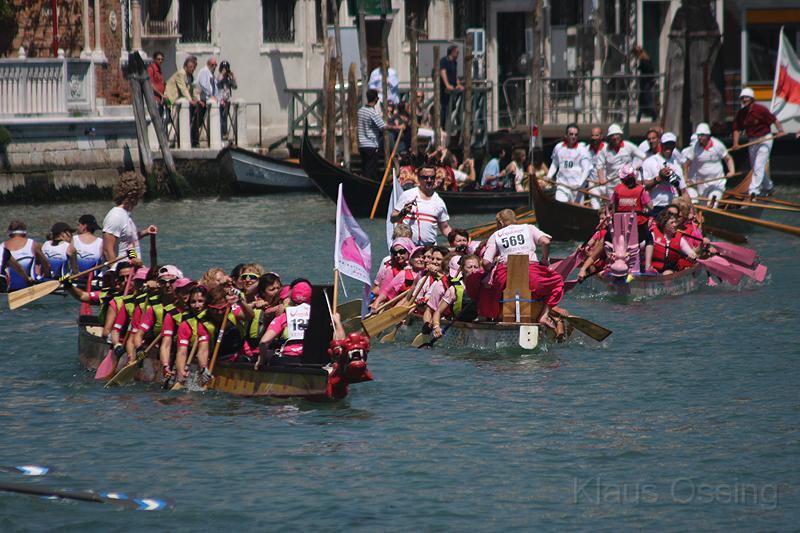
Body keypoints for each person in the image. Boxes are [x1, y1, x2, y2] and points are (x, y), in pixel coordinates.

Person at [480, 209, 563, 323]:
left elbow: (485, 262)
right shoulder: (528, 228)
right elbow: (546, 241)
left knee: (486, 289)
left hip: (505, 276)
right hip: (531, 274)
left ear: (500, 222)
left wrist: (490, 271)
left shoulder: (495, 235)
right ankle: (544, 315)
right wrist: (544, 260)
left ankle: (490, 318)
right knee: (558, 282)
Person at [732, 87, 784, 196]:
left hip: (765, 139)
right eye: (742, 98)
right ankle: (769, 187)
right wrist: (735, 144)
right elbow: (736, 129)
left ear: (752, 99)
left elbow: (773, 119)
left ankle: (753, 190)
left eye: (746, 98)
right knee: (755, 167)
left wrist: (780, 131)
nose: (744, 100)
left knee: (758, 165)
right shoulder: (741, 113)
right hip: (752, 141)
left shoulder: (761, 109)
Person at [102, 171, 157, 265]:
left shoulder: (126, 214)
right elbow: (107, 249)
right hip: (122, 273)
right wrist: (115, 271)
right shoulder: (115, 216)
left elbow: (128, 243)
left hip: (133, 269)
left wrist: (146, 232)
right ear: (135, 195)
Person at [390, 163, 453, 246]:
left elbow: (445, 228)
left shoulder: (439, 202)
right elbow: (393, 219)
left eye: (432, 177)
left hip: (429, 250)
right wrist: (403, 212)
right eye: (425, 177)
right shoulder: (407, 195)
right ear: (419, 178)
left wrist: (457, 237)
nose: (429, 180)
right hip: (409, 247)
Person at [255, 280, 313, 367]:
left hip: (289, 359)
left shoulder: (285, 316)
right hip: (312, 360)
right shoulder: (319, 315)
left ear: (291, 298)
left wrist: (261, 360)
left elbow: (264, 342)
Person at [610, 164, 654, 272]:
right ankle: (648, 266)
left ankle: (611, 262)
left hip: (620, 228)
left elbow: (612, 207)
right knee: (649, 239)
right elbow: (651, 207)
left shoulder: (617, 190)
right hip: (638, 227)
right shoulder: (640, 190)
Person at [592, 123, 647, 209]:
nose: (614, 137)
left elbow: (644, 157)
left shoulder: (628, 145)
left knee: (627, 206)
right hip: (611, 186)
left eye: (616, 135)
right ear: (609, 138)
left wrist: (638, 167)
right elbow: (599, 166)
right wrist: (601, 179)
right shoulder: (604, 150)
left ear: (621, 135)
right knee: (613, 209)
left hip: (627, 184)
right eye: (612, 136)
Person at [683, 122, 736, 203]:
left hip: (717, 183)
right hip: (702, 184)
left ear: (708, 135)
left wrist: (731, 171)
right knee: (703, 208)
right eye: (698, 135)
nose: (699, 137)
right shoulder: (695, 147)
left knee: (712, 203)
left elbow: (728, 159)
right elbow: (686, 165)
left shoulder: (718, 145)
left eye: (701, 135)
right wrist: (686, 180)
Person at [641, 132, 690, 216]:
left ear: (674, 145)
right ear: (661, 144)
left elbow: (684, 191)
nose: (668, 147)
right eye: (666, 144)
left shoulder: (676, 165)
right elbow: (645, 186)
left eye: (671, 144)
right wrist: (659, 178)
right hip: (654, 206)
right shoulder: (650, 162)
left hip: (672, 207)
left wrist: (690, 212)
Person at [547, 123, 592, 202]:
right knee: (561, 206)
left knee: (577, 212)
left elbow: (586, 169)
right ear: (566, 135)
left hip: (577, 188)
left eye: (576, 134)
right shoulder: (558, 147)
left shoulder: (582, 150)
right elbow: (555, 164)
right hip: (562, 186)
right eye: (571, 134)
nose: (573, 136)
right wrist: (549, 176)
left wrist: (579, 184)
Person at [2, 221, 51, 291]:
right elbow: (46, 263)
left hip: (9, 289)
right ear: (24, 232)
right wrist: (47, 277)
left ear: (9, 233)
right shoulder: (33, 244)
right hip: (31, 286)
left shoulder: (2, 246)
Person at [164, 56, 200, 146]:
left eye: (193, 67)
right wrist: (190, 100)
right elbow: (183, 89)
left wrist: (196, 99)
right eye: (191, 67)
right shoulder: (181, 73)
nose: (193, 69)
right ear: (186, 66)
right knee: (173, 120)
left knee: (178, 121)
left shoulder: (189, 76)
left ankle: (177, 141)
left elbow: (192, 89)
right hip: (171, 99)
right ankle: (170, 142)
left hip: (180, 101)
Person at [651, 209, 697, 274]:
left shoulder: (680, 239)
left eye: (675, 222)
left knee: (667, 273)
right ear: (664, 224)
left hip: (671, 269)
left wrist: (692, 256)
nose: (675, 225)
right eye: (672, 223)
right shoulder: (652, 235)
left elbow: (691, 253)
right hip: (654, 268)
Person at [357, 89, 388, 181]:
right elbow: (383, 127)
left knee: (365, 168)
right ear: (376, 99)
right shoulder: (372, 112)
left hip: (362, 145)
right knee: (371, 171)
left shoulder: (360, 111)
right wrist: (398, 127)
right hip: (371, 145)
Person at [438, 45, 463, 131]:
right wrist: (447, 84)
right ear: (452, 52)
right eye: (457, 52)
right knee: (444, 107)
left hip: (452, 89)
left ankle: (452, 125)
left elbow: (455, 76)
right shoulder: (444, 61)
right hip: (444, 89)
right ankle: (442, 127)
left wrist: (458, 84)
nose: (458, 54)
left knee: (453, 107)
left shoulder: (454, 62)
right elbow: (443, 72)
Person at [633, 46, 656, 122]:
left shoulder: (643, 60)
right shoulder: (645, 59)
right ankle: (639, 118)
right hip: (645, 83)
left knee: (647, 100)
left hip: (645, 83)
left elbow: (648, 69)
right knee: (642, 101)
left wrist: (639, 67)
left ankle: (654, 115)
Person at [217, 60, 237, 140]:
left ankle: (224, 134)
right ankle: (221, 135)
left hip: (226, 101)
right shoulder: (219, 76)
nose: (225, 70)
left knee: (225, 118)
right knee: (221, 118)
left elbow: (235, 87)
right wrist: (221, 75)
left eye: (226, 68)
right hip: (220, 101)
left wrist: (233, 78)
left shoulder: (229, 78)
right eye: (223, 68)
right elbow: (217, 85)